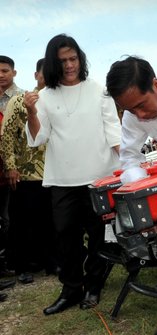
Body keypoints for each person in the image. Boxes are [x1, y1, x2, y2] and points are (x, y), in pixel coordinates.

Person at [23, 34, 122, 315]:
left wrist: (126, 164)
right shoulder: (43, 97)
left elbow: (113, 129)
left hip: (99, 177)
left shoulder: (98, 90)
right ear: (54, 63)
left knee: (98, 236)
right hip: (62, 179)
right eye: (62, 60)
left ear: (80, 58)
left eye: (73, 58)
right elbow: (38, 138)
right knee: (66, 238)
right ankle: (70, 289)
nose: (69, 65)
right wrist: (31, 112)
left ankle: (93, 286)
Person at [0, 58, 58, 287]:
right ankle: (23, 266)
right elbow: (7, 137)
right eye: (48, 74)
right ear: (37, 76)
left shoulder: (59, 102)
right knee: (22, 222)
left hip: (54, 172)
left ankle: (51, 262)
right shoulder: (19, 100)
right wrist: (11, 167)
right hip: (25, 173)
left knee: (50, 221)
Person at [0, 55, 23, 286]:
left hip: (16, 169)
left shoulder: (22, 98)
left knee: (12, 218)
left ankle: (13, 261)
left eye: (5, 70)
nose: (0, 75)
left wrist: (12, 166)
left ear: (14, 73)